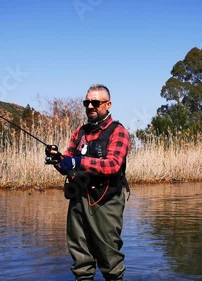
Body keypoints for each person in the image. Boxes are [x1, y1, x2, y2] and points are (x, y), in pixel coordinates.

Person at [46, 84, 130, 281]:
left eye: (95, 102)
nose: (90, 106)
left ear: (108, 105)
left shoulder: (118, 132)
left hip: (106, 201)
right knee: (80, 259)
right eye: (87, 102)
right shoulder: (80, 132)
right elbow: (67, 163)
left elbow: (113, 165)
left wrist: (78, 161)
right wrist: (57, 160)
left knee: (110, 261)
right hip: (78, 199)